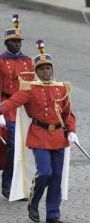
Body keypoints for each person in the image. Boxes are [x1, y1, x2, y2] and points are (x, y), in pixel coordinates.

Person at [0, 39, 77, 223]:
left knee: (56, 176)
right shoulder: (30, 89)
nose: (46, 72)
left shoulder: (61, 88)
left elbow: (68, 113)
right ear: (36, 71)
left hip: (59, 136)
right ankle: (34, 202)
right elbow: (12, 103)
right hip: (39, 135)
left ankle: (52, 214)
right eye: (42, 69)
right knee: (45, 172)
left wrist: (72, 131)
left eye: (48, 68)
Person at [0, 14, 34, 199]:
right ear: (6, 43)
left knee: (25, 147)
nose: (17, 45)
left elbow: (33, 85)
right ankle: (7, 183)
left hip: (25, 109)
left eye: (19, 41)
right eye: (13, 42)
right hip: (7, 107)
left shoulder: (28, 61)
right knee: (13, 145)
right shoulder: (0, 61)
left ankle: (23, 185)